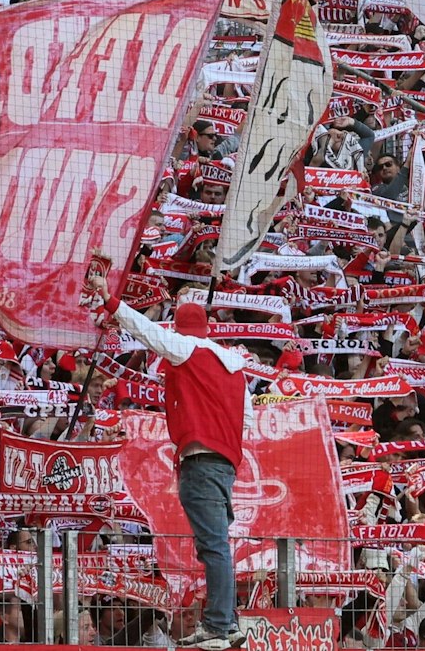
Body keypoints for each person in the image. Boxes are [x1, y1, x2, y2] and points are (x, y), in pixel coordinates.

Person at [87, 268, 250, 650]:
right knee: (216, 545)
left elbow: (146, 330)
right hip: (225, 465)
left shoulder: (187, 349)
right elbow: (248, 419)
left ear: (180, 329)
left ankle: (218, 626)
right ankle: (230, 621)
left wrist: (110, 300)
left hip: (200, 461)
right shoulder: (236, 369)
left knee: (213, 547)